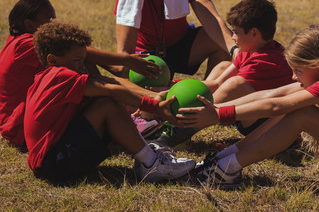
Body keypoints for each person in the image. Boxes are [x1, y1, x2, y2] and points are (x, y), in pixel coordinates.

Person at [178, 26, 319, 194]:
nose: (293, 76)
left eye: (297, 70)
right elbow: (273, 94)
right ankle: (222, 160)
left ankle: (226, 169)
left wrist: (219, 116)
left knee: (301, 113)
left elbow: (276, 105)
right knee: (292, 108)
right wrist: (218, 107)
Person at [24, 21, 196, 184]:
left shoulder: (49, 77)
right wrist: (156, 107)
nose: (83, 66)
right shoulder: (60, 76)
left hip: (52, 159)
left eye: (84, 60)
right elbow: (111, 89)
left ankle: (147, 155)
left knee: (105, 102)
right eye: (78, 61)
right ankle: (151, 165)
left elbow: (109, 85)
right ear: (52, 60)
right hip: (52, 164)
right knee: (107, 104)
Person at [0, 0, 161, 148]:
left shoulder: (17, 43)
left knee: (81, 64)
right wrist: (124, 60)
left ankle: (136, 105)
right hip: (19, 128)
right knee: (83, 66)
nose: (53, 25)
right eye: (49, 20)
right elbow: (83, 52)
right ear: (29, 25)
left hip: (25, 121)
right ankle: (139, 108)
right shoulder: (24, 44)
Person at [151, 0, 294, 148]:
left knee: (235, 84)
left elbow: (228, 87)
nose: (232, 37)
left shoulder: (265, 61)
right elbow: (217, 83)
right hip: (252, 113)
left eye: (236, 32)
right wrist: (173, 87)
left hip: (271, 127)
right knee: (223, 66)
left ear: (254, 33)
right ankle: (180, 117)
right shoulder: (251, 49)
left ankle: (181, 130)